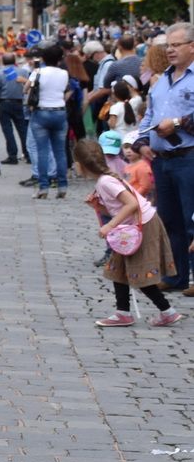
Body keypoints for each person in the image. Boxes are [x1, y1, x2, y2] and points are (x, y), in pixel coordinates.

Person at [76, 139, 180, 327]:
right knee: (118, 269)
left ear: (79, 165)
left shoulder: (106, 181)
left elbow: (132, 204)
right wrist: (99, 207)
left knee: (138, 271)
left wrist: (109, 226)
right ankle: (123, 312)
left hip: (144, 225)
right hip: (133, 226)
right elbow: (121, 209)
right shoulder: (105, 180)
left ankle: (167, 311)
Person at [143, 22, 194, 292]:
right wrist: (142, 142)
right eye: (168, 45)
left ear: (192, 46)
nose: (170, 50)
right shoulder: (162, 79)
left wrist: (175, 123)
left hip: (189, 157)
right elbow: (149, 116)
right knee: (170, 220)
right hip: (161, 159)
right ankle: (176, 276)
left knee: (192, 219)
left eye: (176, 45)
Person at [27, 43, 71, 198]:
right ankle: (62, 186)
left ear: (43, 58)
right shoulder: (64, 73)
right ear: (59, 59)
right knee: (60, 151)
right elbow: (66, 90)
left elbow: (26, 89)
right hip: (59, 112)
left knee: (42, 151)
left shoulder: (38, 72)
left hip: (41, 112)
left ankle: (44, 187)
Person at [0, 52, 31, 166]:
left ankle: (12, 156)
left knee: (8, 130)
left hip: (4, 103)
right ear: (15, 61)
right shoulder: (23, 72)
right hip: (19, 103)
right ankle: (28, 154)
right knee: (22, 129)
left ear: (3, 61)